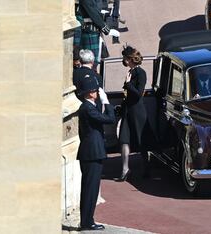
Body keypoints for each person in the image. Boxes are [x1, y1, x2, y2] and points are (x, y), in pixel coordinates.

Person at [77, 75, 115, 231]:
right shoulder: (88, 108)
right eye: (96, 91)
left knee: (90, 188)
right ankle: (87, 221)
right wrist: (107, 103)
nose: (98, 93)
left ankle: (87, 219)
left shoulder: (89, 107)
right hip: (92, 153)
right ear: (90, 93)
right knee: (90, 189)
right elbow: (109, 119)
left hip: (92, 152)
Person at [118, 45, 150, 181]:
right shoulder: (131, 71)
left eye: (125, 58)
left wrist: (128, 84)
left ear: (129, 59)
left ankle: (147, 168)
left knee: (142, 140)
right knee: (124, 139)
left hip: (137, 110)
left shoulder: (140, 73)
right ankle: (125, 169)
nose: (124, 61)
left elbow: (138, 94)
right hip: (128, 109)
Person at [78, 0, 119, 69]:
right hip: (90, 31)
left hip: (94, 30)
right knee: (90, 62)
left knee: (95, 62)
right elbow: (93, 13)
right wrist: (106, 30)